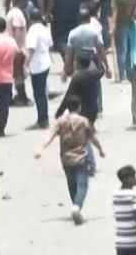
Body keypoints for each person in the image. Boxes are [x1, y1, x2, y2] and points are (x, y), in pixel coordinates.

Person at [36, 95, 106, 224]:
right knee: (82, 184)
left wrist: (41, 149)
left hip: (66, 158)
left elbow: (50, 136)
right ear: (79, 107)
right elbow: (92, 138)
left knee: (71, 183)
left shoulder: (61, 122)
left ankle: (75, 204)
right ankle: (76, 206)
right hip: (81, 157)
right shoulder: (83, 121)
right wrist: (100, 150)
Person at [24, 9, 55, 128]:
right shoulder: (44, 29)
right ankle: (43, 118)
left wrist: (25, 65)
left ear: (30, 19)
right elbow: (51, 45)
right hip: (46, 62)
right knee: (41, 92)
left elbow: (31, 50)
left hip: (37, 65)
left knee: (39, 94)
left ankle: (43, 119)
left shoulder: (32, 30)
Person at [114, 165, 136, 255]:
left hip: (120, 242)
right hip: (135, 242)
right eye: (133, 177)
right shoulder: (133, 195)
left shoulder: (115, 195)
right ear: (126, 179)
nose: (135, 179)